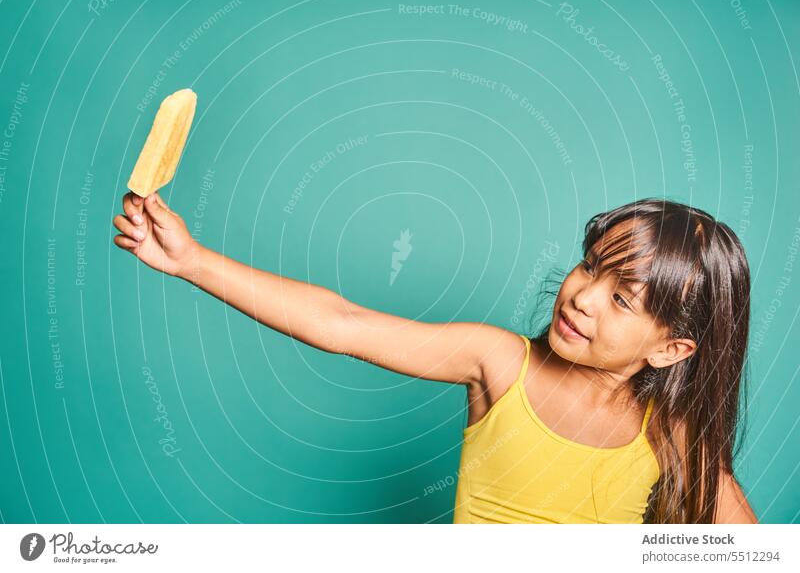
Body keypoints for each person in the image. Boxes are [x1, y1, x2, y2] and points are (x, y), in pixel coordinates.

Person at [113, 193, 758, 523]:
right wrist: (192, 261)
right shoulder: (499, 362)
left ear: (672, 347)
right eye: (589, 267)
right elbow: (344, 322)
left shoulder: (674, 438)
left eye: (621, 299)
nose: (583, 296)